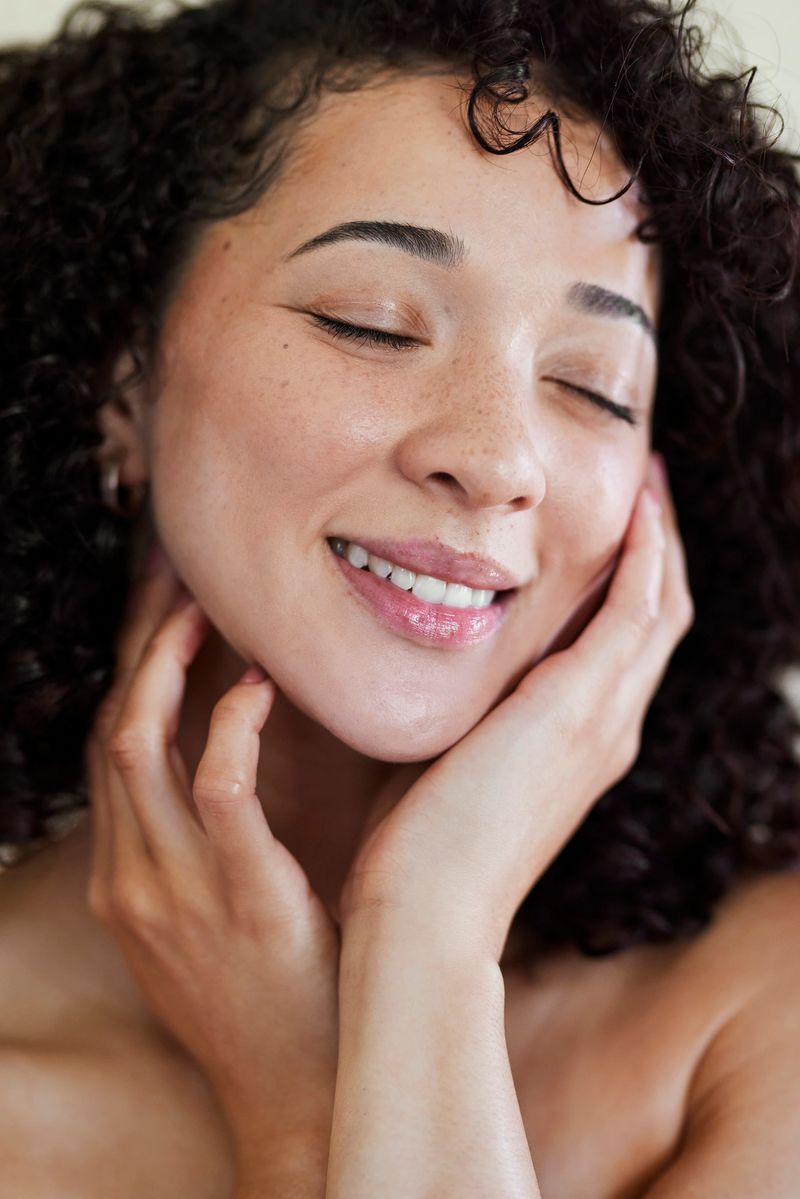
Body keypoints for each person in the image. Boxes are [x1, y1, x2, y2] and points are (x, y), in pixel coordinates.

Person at [1, 0, 799, 1194]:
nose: (498, 459)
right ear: (120, 380)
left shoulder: (758, 1008)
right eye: (368, 321)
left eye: (590, 385)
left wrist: (416, 948)